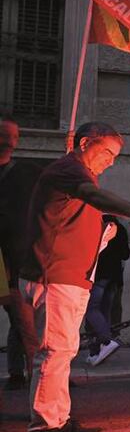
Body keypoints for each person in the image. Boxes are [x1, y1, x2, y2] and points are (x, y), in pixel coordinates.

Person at [20, 122, 130, 432]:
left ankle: (59, 420)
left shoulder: (77, 175)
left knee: (63, 352)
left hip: (71, 279)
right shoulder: (69, 169)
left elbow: (88, 205)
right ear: (84, 143)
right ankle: (42, 430)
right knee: (54, 353)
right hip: (55, 277)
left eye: (115, 156)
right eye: (107, 152)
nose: (111, 161)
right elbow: (94, 197)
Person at [0, 116, 40, 391]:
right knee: (29, 331)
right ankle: (43, 380)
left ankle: (19, 373)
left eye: (12, 133)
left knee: (21, 322)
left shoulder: (23, 173)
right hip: (6, 266)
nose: (9, 138)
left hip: (15, 266)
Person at [84, 215, 130, 367]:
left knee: (91, 310)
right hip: (114, 277)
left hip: (98, 276)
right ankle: (100, 352)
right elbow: (126, 254)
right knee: (105, 312)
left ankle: (104, 343)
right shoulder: (121, 228)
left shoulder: (96, 227)